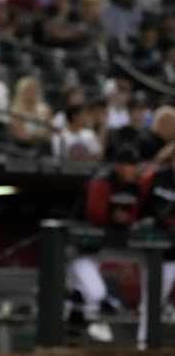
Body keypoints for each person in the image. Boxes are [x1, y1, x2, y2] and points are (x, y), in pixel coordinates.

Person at [66, 145, 142, 343]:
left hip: (98, 251)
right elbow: (96, 214)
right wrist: (115, 218)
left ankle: (74, 335)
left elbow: (132, 216)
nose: (132, 170)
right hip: (76, 249)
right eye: (128, 165)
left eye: (134, 165)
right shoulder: (101, 182)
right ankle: (87, 330)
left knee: (80, 298)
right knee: (95, 293)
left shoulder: (133, 186)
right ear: (118, 166)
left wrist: (122, 220)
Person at [136, 151, 175, 349]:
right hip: (156, 252)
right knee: (152, 298)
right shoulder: (156, 178)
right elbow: (138, 205)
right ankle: (144, 344)